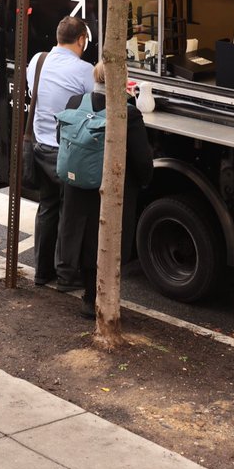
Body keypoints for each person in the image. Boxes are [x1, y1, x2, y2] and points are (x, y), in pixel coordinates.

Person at [58, 62, 153, 318]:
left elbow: (63, 139)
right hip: (112, 189)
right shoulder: (127, 112)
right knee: (110, 243)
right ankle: (106, 300)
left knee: (86, 240)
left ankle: (89, 297)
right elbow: (141, 158)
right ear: (122, 81)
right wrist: (144, 181)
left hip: (77, 185)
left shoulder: (75, 101)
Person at [28, 15, 94, 287]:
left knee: (47, 206)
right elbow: (97, 102)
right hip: (67, 151)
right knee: (72, 213)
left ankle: (42, 272)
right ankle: (67, 274)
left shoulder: (37, 61)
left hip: (39, 146)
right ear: (81, 40)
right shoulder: (84, 70)